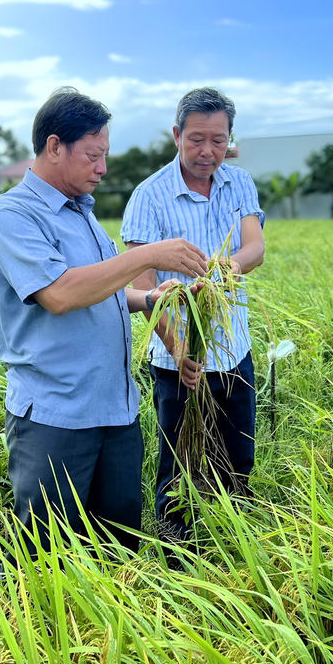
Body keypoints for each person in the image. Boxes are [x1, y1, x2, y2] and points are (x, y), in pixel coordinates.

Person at [0, 87, 207, 554]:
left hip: (116, 412)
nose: (102, 168)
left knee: (119, 546)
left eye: (105, 155)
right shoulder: (13, 215)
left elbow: (101, 290)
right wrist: (148, 254)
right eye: (93, 155)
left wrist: (147, 297)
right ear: (54, 146)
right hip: (57, 417)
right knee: (52, 560)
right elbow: (61, 293)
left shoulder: (84, 214)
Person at [120, 87, 266, 541]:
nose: (207, 152)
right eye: (196, 139)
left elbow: (255, 247)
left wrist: (228, 267)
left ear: (230, 139)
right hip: (177, 362)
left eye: (218, 140)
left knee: (237, 457)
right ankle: (175, 552)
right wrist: (179, 349)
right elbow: (139, 287)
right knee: (178, 462)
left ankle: (233, 539)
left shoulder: (239, 183)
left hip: (233, 351)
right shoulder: (149, 196)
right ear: (177, 134)